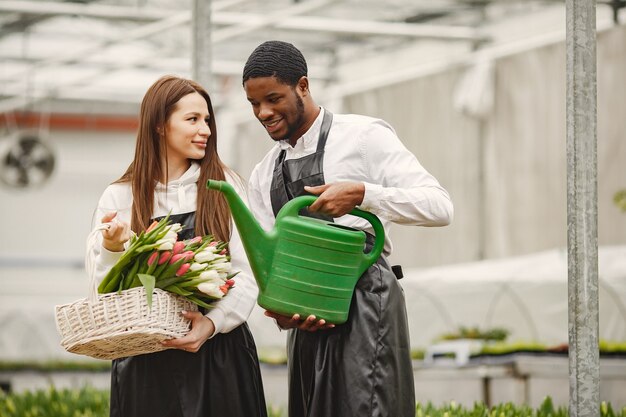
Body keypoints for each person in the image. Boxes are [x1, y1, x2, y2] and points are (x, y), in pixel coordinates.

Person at [243, 40, 454, 417]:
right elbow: (269, 263)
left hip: (366, 305)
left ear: (303, 86)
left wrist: (363, 195)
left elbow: (439, 206)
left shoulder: (362, 137)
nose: (263, 112)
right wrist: (281, 312)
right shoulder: (263, 175)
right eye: (254, 104)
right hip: (307, 317)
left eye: (273, 98)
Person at [88, 75, 267, 417]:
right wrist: (112, 247)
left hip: (221, 357)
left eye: (208, 120)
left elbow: (249, 273)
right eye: (193, 120)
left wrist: (212, 322)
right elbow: (105, 294)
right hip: (146, 365)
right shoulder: (120, 196)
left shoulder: (225, 187)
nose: (206, 130)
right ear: (159, 125)